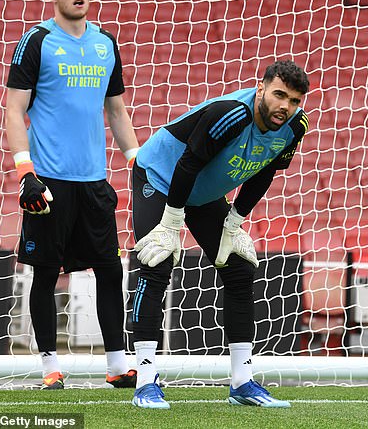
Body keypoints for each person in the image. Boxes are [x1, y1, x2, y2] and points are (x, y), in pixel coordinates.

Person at [129, 60, 310, 408]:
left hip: (201, 191)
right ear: (261, 89)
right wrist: (170, 224)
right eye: (279, 95)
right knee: (157, 263)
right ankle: (145, 383)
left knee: (241, 271)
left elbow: (265, 168)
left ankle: (242, 383)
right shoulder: (231, 114)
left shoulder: (294, 127)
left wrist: (235, 221)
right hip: (160, 176)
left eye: (295, 100)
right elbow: (187, 164)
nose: (285, 106)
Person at [4, 0, 139, 390]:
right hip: (48, 181)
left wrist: (136, 158)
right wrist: (25, 170)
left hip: (94, 182)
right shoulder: (37, 41)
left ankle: (117, 365)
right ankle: (49, 367)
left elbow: (116, 109)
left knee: (110, 271)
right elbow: (13, 109)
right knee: (45, 273)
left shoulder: (105, 44)